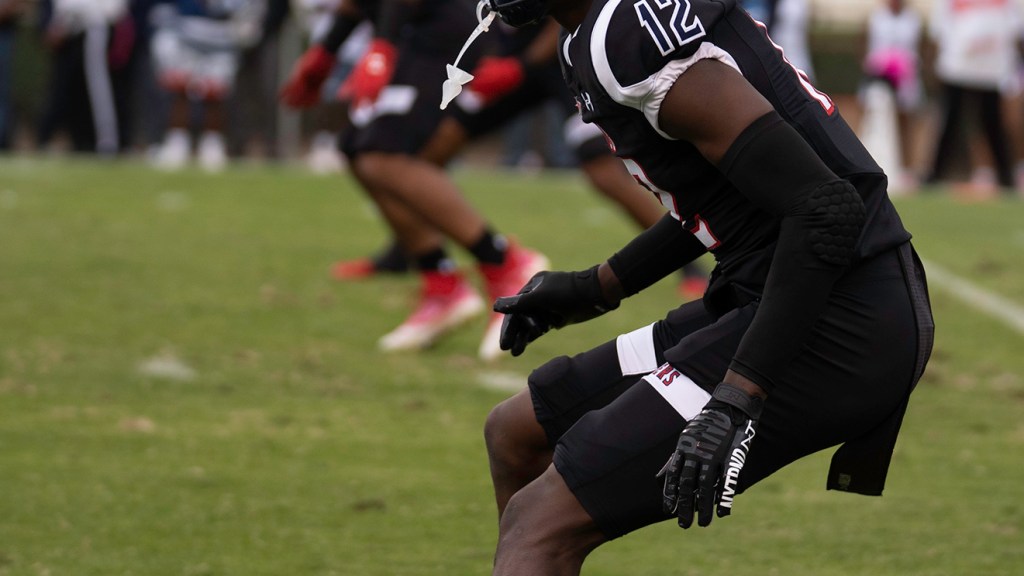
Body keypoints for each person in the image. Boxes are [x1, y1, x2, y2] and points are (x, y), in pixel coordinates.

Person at [461, 0, 935, 573]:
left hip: (836, 314)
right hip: (775, 290)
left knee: (538, 525)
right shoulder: (593, 36)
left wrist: (736, 398)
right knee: (515, 432)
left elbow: (825, 209)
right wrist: (594, 288)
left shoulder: (627, 37)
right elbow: (726, 195)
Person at [280, 0, 549, 360]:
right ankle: (442, 284)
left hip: (438, 30)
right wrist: (326, 51)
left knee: (385, 153)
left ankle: (504, 262)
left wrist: (381, 47)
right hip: (410, 33)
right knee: (359, 150)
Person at [149, 0, 268, 171]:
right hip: (186, 29)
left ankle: (212, 143)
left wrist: (247, 22)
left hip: (222, 34)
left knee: (215, 93)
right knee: (180, 87)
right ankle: (177, 141)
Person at [924, 0, 1024, 193]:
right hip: (956, 68)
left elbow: (1015, 31)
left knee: (992, 124)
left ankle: (1005, 176)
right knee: (949, 123)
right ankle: (935, 173)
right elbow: (939, 30)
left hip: (991, 71)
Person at [860, 0, 924, 188]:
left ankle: (907, 168)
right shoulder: (875, 17)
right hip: (878, 76)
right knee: (874, 119)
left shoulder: (913, 19)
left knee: (905, 121)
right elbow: (864, 44)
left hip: (905, 77)